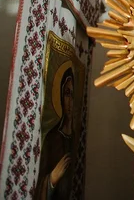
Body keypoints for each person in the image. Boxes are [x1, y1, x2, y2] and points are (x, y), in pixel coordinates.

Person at [36, 67, 75, 200]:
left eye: (73, 95)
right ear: (60, 97)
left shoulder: (76, 138)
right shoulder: (51, 138)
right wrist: (52, 179)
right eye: (67, 94)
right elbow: (38, 183)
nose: (71, 101)